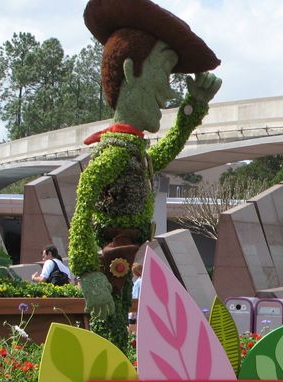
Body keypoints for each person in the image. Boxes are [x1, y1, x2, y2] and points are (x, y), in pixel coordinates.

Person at [68, 0, 221, 353]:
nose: (168, 93)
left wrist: (192, 108)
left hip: (122, 263)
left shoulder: (133, 152)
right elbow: (84, 204)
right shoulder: (116, 152)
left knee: (117, 335)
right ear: (131, 71)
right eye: (163, 77)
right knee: (109, 338)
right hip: (109, 263)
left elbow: (162, 153)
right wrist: (88, 273)